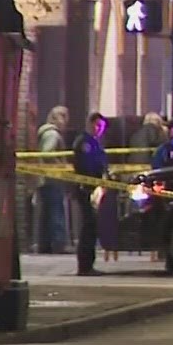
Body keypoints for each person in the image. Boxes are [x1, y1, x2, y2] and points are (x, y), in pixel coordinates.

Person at [72, 112, 110, 276]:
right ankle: (85, 266)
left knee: (92, 227)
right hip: (86, 188)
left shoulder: (94, 142)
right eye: (98, 126)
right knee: (88, 227)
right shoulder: (84, 142)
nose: (99, 130)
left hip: (94, 188)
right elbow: (86, 165)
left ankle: (89, 264)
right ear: (90, 124)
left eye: (102, 127)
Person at [35, 105, 70, 253]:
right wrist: (61, 166)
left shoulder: (46, 133)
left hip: (45, 179)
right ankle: (58, 243)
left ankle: (45, 244)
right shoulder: (53, 135)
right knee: (56, 211)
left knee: (47, 212)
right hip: (52, 179)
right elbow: (47, 153)